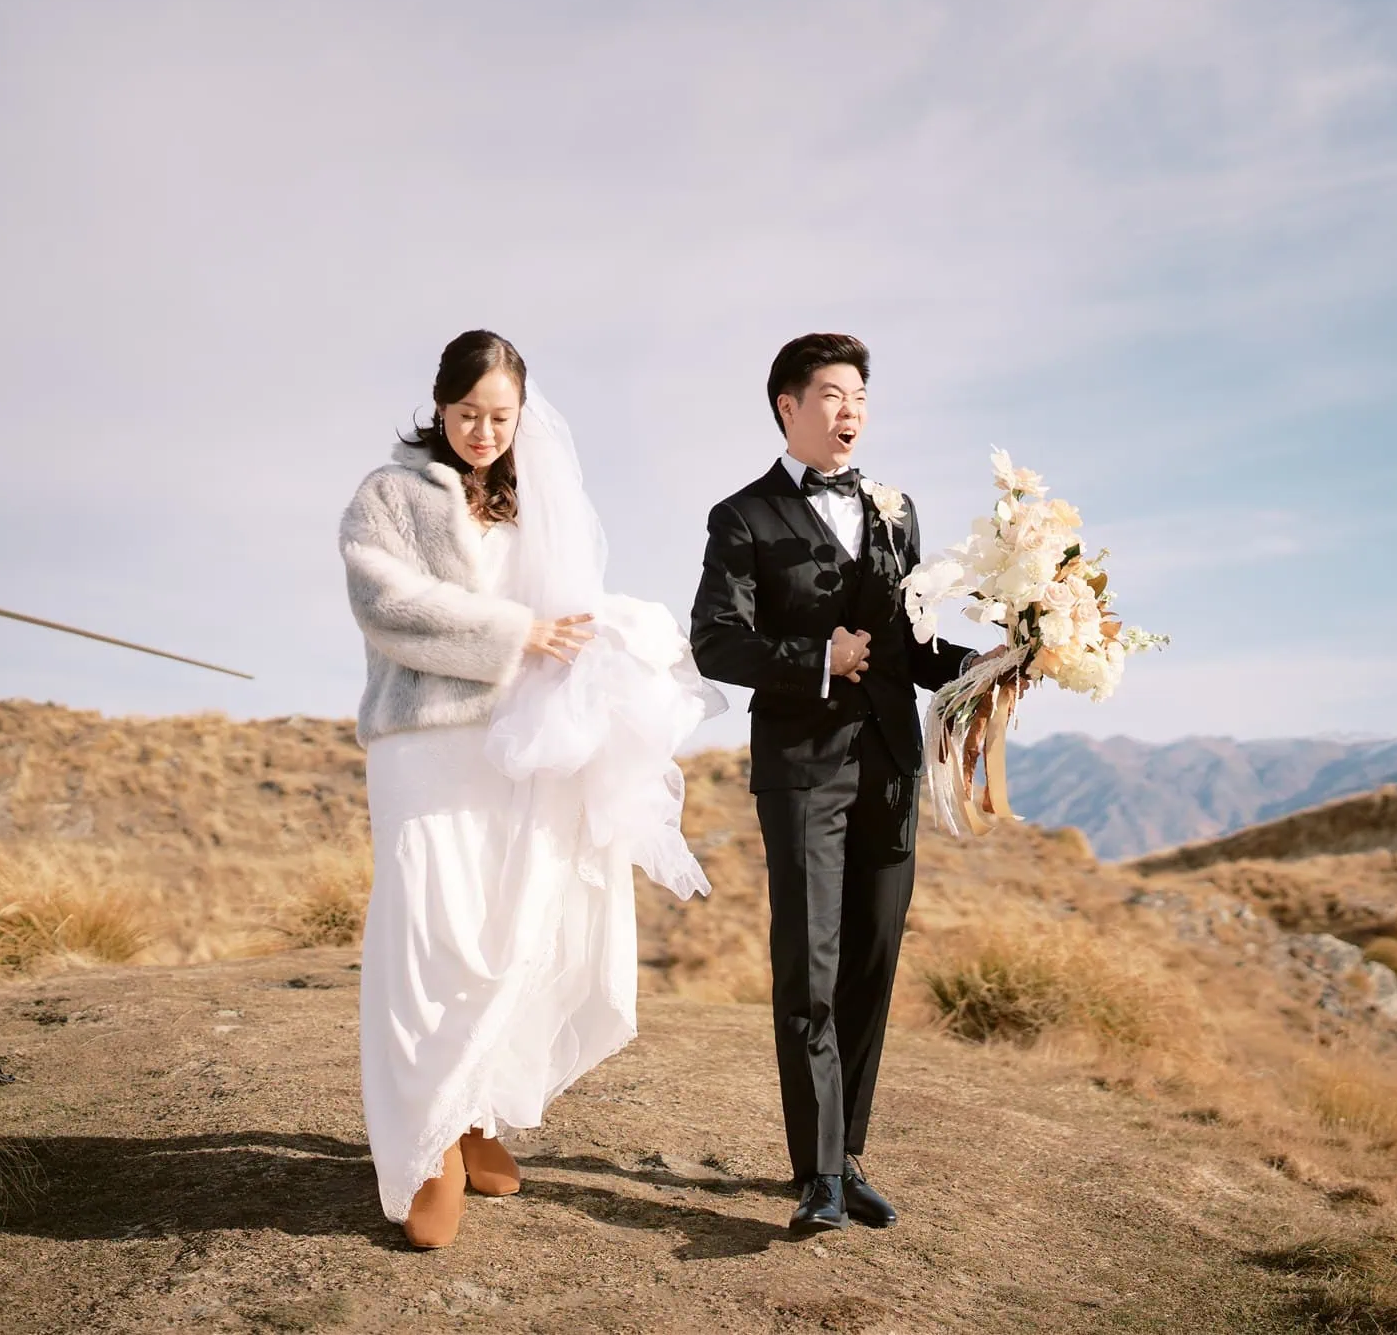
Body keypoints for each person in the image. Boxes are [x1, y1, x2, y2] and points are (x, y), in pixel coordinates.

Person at [340, 329, 722, 1249]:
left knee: (510, 930)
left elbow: (572, 610)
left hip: (518, 749)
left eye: (500, 416)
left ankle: (477, 1114)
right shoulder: (387, 494)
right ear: (439, 406)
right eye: (467, 413)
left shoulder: (533, 501)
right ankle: (424, 1146)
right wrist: (517, 632)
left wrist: (616, 641)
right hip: (422, 746)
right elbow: (384, 603)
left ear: (521, 415)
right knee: (428, 938)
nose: (483, 431)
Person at [688, 333, 992, 1234]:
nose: (849, 410)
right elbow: (716, 640)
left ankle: (848, 1153)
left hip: (893, 765)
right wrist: (816, 657)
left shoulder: (899, 515)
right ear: (788, 406)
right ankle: (815, 1173)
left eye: (859, 394)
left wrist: (994, 663)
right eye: (830, 393)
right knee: (810, 968)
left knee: (871, 959)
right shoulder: (741, 517)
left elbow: (916, 643)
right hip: (803, 771)